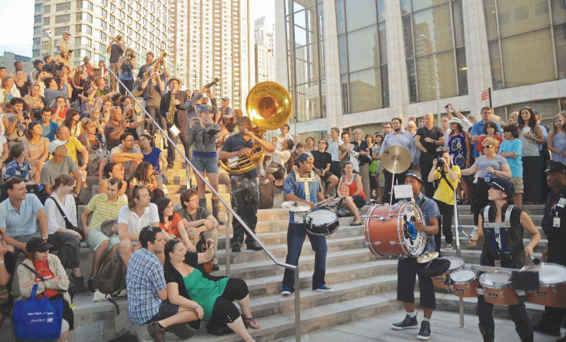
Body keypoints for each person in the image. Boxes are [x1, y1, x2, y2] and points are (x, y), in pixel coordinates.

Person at [469, 177, 540, 342]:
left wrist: (530, 246)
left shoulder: (518, 213)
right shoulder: (484, 212)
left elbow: (536, 234)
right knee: (484, 309)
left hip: (513, 265)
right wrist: (473, 239)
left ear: (503, 193)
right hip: (488, 264)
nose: (489, 190)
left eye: (493, 188)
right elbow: (479, 235)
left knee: (517, 310)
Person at [164, 239, 259, 341]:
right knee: (227, 307)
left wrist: (211, 246)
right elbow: (174, 298)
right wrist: (195, 306)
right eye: (180, 250)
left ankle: (248, 318)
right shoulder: (171, 273)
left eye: (184, 249)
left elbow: (207, 256)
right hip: (202, 300)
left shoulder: (187, 257)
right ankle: (249, 340)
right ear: (171, 254)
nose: (185, 251)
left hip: (212, 285)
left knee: (239, 285)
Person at [126, 226, 197, 342]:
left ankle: (173, 327)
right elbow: (164, 296)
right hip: (148, 312)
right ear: (150, 243)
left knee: (179, 303)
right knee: (194, 311)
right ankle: (160, 326)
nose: (164, 243)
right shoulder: (154, 263)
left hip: (135, 311)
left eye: (164, 239)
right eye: (160, 241)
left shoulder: (136, 254)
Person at [391, 170, 439, 341]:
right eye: (407, 181)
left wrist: (423, 228)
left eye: (412, 181)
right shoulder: (400, 204)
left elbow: (435, 228)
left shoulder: (429, 203)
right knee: (404, 288)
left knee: (426, 289)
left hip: (425, 252)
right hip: (406, 251)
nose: (409, 184)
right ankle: (411, 317)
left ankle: (426, 322)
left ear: (420, 184)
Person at [219, 116, 275, 252]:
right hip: (237, 177)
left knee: (252, 210)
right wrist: (238, 153)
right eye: (241, 124)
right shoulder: (232, 139)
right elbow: (220, 155)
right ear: (238, 125)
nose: (243, 127)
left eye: (246, 125)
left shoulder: (255, 138)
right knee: (238, 209)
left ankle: (251, 240)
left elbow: (271, 148)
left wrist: (253, 137)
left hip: (252, 177)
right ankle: (237, 241)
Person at [281, 152, 329, 295]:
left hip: (314, 218)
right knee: (293, 254)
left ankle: (319, 283)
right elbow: (288, 196)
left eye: (312, 162)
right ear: (300, 163)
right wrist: (307, 203)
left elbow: (319, 194)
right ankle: (287, 287)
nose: (311, 165)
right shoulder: (291, 177)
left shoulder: (315, 176)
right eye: (308, 162)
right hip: (298, 219)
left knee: (322, 250)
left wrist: (326, 202)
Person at [15, 237, 74, 342]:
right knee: (59, 328)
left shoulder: (54, 259)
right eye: (42, 251)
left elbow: (64, 283)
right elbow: (26, 291)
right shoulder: (23, 267)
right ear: (32, 253)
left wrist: (38, 284)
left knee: (63, 326)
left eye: (47, 249)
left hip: (59, 300)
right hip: (38, 304)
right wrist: (52, 282)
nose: (46, 253)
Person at [533, 161, 566, 340]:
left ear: (563, 173)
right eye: (547, 175)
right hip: (555, 247)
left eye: (552, 175)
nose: (549, 178)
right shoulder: (552, 196)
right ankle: (550, 324)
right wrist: (547, 247)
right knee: (554, 286)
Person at [80, 178, 127, 291]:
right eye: (108, 189)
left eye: (113, 190)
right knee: (104, 242)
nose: (109, 192)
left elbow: (125, 222)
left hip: (112, 232)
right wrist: (85, 228)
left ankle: (104, 274)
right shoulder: (97, 198)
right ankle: (93, 276)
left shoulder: (123, 203)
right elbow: (84, 214)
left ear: (119, 191)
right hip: (95, 230)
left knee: (119, 246)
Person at [44, 175, 85, 292]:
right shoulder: (50, 201)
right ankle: (76, 271)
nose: (72, 189)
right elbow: (52, 226)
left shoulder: (70, 198)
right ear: (62, 185)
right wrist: (71, 232)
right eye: (70, 187)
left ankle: (61, 273)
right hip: (54, 234)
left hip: (68, 233)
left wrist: (75, 231)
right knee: (72, 239)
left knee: (70, 242)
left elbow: (72, 220)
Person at [461, 137, 511, 225]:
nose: (485, 149)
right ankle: (477, 226)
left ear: (494, 147)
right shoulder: (480, 159)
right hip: (481, 183)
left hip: (494, 183)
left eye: (488, 146)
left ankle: (495, 225)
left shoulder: (500, 159)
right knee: (478, 205)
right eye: (483, 147)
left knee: (493, 205)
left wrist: (495, 171)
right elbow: (471, 170)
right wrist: (457, 171)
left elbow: (508, 174)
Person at [186, 105, 222, 219]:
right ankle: (204, 215)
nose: (207, 115)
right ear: (200, 115)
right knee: (201, 187)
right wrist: (191, 128)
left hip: (211, 157)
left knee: (214, 186)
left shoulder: (214, 126)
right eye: (204, 113)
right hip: (198, 157)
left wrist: (202, 126)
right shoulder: (194, 126)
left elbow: (211, 139)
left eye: (209, 113)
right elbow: (189, 141)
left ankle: (215, 215)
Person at [0, 177, 48, 252]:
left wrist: (44, 238)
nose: (25, 191)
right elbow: (3, 235)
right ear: (9, 192)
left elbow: (43, 217)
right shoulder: (2, 208)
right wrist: (21, 245)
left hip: (34, 236)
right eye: (20, 189)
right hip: (14, 240)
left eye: (25, 188)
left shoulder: (32, 198)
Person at [176, 188, 219, 269]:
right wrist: (203, 221)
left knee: (213, 231)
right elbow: (186, 225)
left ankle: (212, 260)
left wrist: (199, 230)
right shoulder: (180, 213)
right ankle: (192, 262)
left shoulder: (202, 210)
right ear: (186, 203)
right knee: (190, 232)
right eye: (193, 199)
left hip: (202, 236)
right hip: (188, 238)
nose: (197, 201)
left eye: (197, 198)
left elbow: (214, 222)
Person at [427, 149, 460, 251]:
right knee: (436, 224)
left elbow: (454, 178)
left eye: (446, 157)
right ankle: (436, 246)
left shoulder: (455, 168)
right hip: (437, 199)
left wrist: (446, 165)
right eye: (443, 158)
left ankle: (449, 242)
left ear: (450, 158)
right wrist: (434, 166)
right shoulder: (439, 170)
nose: (445, 159)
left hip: (449, 201)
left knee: (447, 225)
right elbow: (430, 179)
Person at [118, 185, 160, 265]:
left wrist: (139, 245)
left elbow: (155, 232)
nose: (149, 197)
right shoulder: (124, 210)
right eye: (145, 196)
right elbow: (122, 234)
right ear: (136, 200)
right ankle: (132, 274)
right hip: (132, 242)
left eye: (148, 194)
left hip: (148, 242)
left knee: (158, 243)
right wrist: (142, 238)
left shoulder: (153, 207)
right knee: (125, 244)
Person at [380, 117, 417, 202]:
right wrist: (384, 161)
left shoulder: (408, 135)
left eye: (397, 123)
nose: (395, 125)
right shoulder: (388, 136)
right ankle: (390, 202)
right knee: (389, 184)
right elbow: (383, 149)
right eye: (393, 123)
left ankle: (403, 202)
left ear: (400, 124)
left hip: (404, 163)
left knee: (403, 182)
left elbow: (413, 148)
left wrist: (411, 161)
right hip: (390, 163)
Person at [518, 107, 545, 204]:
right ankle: (526, 198)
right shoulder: (519, 127)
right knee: (524, 177)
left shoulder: (535, 126)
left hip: (533, 155)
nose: (524, 115)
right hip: (521, 155)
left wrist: (531, 137)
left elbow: (542, 140)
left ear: (530, 114)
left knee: (534, 178)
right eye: (522, 113)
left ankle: (535, 199)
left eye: (526, 113)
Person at [415, 114, 444, 197]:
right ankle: (429, 197)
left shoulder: (438, 130)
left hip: (436, 156)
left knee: (437, 178)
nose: (426, 121)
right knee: (426, 179)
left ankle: (439, 197)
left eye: (428, 119)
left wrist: (433, 141)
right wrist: (424, 150)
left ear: (432, 119)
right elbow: (416, 142)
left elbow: (442, 142)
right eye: (425, 119)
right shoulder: (420, 130)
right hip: (424, 158)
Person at [499, 124, 524, 208]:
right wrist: (506, 154)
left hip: (516, 171)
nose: (505, 134)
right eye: (504, 132)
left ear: (512, 132)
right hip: (505, 172)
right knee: (507, 192)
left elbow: (514, 155)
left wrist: (504, 154)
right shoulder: (503, 142)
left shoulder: (517, 142)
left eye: (507, 132)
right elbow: (499, 155)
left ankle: (519, 210)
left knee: (517, 192)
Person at [337, 161, 366, 225]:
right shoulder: (342, 177)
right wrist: (341, 197)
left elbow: (359, 190)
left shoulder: (356, 176)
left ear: (352, 168)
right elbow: (338, 190)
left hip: (359, 197)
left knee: (348, 199)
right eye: (347, 168)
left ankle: (358, 219)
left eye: (350, 168)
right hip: (347, 198)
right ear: (344, 169)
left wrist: (349, 198)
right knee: (338, 201)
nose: (349, 169)